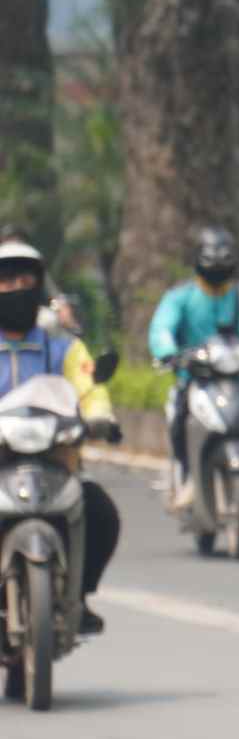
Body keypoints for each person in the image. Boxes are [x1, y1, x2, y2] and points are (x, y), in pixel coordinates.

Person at [0, 236, 121, 634]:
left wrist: (100, 416)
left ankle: (79, 595)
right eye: (7, 280)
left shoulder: (62, 344)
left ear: (38, 285)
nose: (17, 289)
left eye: (25, 281)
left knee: (100, 512)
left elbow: (88, 385)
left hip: (55, 459)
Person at [148, 226, 239, 509]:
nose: (217, 267)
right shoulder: (179, 298)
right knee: (178, 417)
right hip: (195, 379)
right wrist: (169, 353)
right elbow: (161, 330)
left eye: (224, 260)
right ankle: (186, 475)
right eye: (211, 260)